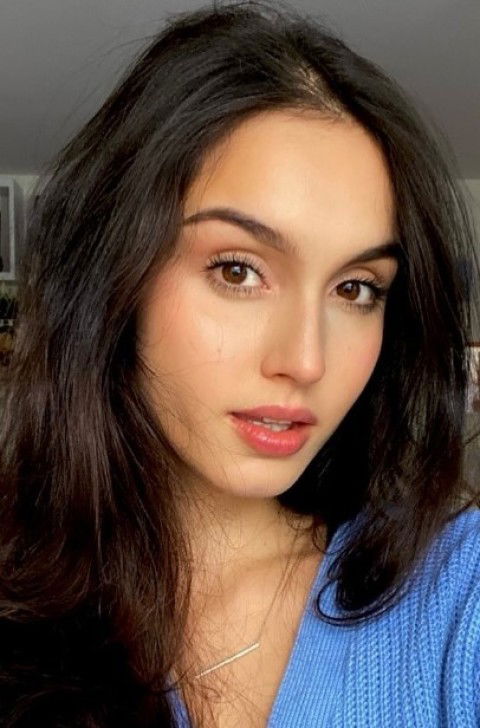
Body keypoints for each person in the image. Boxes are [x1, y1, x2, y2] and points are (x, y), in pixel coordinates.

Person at [0, 1, 479, 726]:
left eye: (356, 289)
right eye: (237, 270)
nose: (306, 361)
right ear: (114, 280)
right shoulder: (20, 599)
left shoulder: (456, 598)